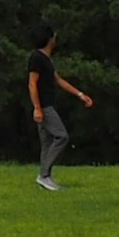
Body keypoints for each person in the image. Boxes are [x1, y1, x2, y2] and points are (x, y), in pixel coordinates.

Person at [28, 29, 93, 191]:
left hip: (46, 105)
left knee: (47, 142)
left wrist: (80, 94)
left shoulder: (46, 59)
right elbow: (32, 83)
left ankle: (45, 178)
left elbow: (58, 80)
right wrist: (37, 108)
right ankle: (43, 176)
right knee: (61, 137)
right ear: (49, 38)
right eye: (54, 36)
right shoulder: (36, 58)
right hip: (44, 106)